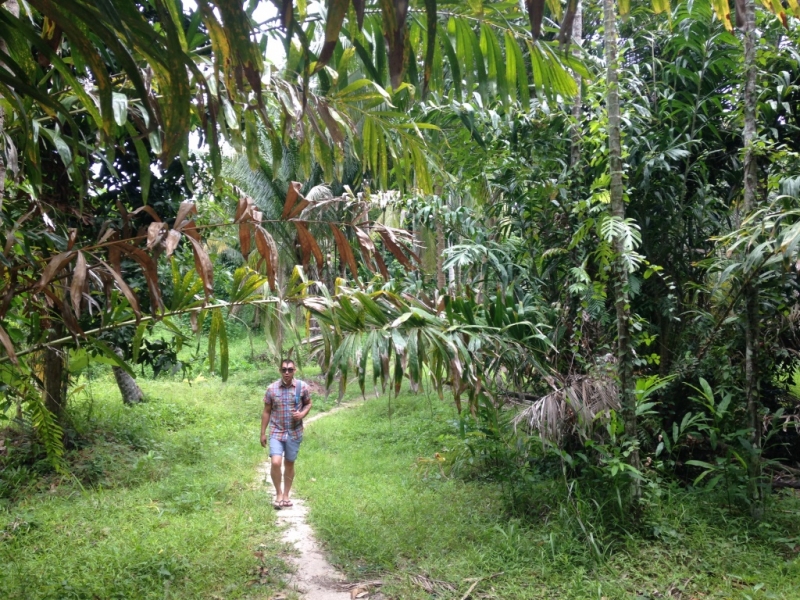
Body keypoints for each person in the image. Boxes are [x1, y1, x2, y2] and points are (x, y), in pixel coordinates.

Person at [260, 359, 312, 508]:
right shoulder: (272, 389)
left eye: (290, 369)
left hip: (294, 432)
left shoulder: (302, 387)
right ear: (280, 371)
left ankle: (286, 495)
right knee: (276, 462)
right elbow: (266, 411)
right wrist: (262, 433)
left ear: (294, 370)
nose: (287, 372)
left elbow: (308, 403)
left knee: (289, 463)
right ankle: (278, 494)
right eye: (284, 370)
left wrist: (302, 414)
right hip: (276, 431)